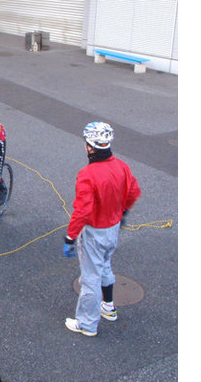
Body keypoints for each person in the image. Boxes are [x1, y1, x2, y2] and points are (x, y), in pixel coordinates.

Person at [63, 122, 141, 337]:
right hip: (113, 229)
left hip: (94, 233)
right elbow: (133, 191)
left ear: (89, 146)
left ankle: (87, 324)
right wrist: (123, 212)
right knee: (105, 266)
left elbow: (82, 211)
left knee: (90, 279)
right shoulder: (122, 166)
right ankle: (108, 307)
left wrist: (70, 237)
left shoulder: (88, 174)